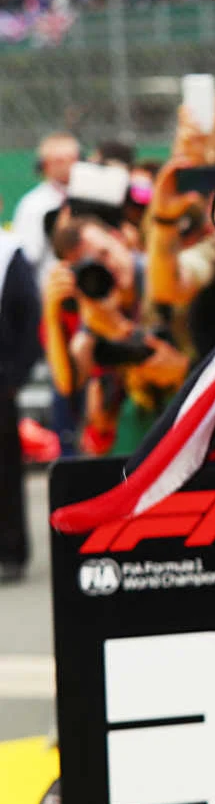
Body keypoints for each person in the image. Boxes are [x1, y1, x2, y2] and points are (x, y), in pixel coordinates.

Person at [0, 226, 38, 585]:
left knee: (4, 470)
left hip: (0, 379)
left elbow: (29, 314)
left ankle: (9, 550)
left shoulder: (9, 251)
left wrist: (15, 376)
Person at [10, 131, 79, 271]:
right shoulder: (33, 203)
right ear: (44, 165)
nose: (68, 165)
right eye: (60, 160)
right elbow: (28, 255)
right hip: (49, 286)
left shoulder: (89, 196)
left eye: (72, 159)